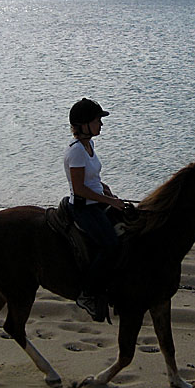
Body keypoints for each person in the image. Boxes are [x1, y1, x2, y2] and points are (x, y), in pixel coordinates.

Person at [64, 98, 125, 321]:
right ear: (84, 125)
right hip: (83, 209)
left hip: (96, 202)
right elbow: (79, 189)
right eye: (97, 120)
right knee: (110, 245)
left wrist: (108, 193)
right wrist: (108, 202)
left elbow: (93, 179)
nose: (101, 124)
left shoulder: (89, 146)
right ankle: (87, 293)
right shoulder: (77, 152)